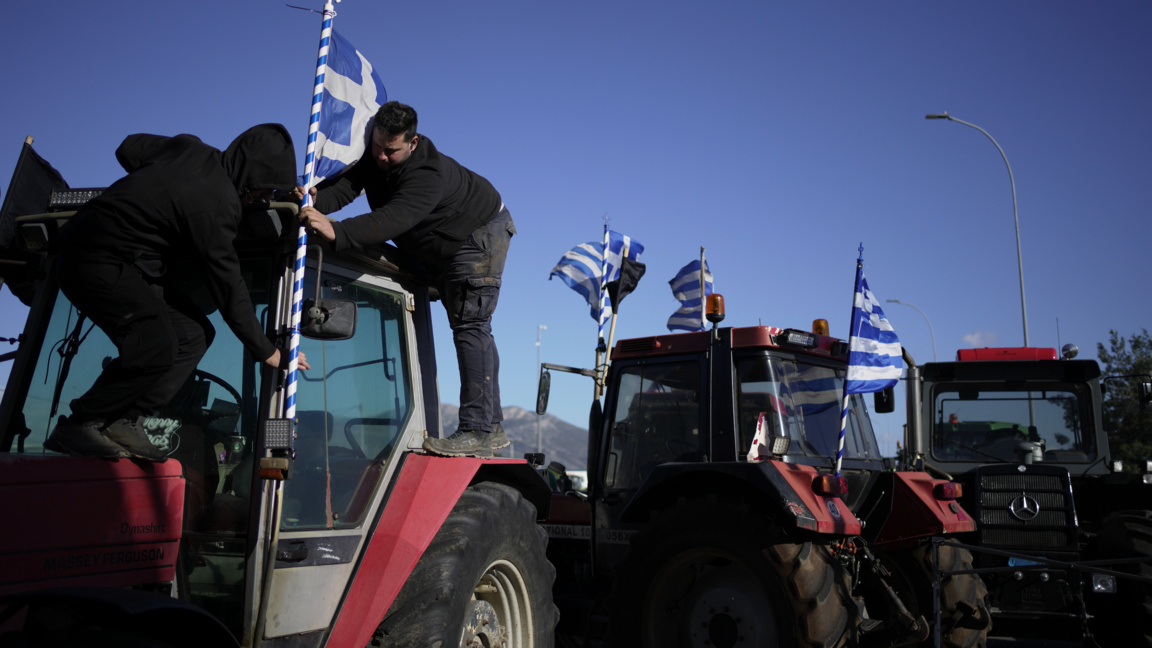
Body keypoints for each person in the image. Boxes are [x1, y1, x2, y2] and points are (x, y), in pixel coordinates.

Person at [45, 124, 310, 462]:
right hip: (94, 258)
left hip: (122, 262)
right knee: (153, 343)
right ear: (250, 178)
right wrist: (267, 351)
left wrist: (155, 185)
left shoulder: (189, 149)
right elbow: (229, 287)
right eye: (264, 191)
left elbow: (129, 147)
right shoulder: (217, 206)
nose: (263, 199)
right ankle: (82, 423)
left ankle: (128, 419)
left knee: (193, 334)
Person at [297, 101, 513, 458]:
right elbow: (349, 186)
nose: (381, 156)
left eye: (391, 150)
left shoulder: (427, 175)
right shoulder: (376, 155)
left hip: (479, 235)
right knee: (473, 326)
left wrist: (338, 232)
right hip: (438, 246)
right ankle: (491, 426)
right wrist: (316, 199)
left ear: (412, 143)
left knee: (470, 325)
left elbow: (394, 218)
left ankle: (477, 429)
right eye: (377, 147)